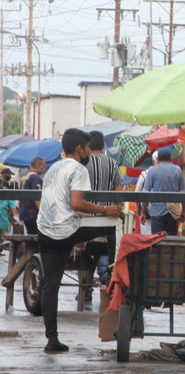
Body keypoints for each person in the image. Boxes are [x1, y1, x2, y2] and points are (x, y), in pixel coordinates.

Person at [36, 128, 122, 352]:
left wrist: (96, 213)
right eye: (86, 149)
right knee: (114, 223)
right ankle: (114, 274)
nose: (87, 153)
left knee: (49, 285)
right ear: (79, 149)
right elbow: (76, 203)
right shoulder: (78, 169)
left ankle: (52, 339)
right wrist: (107, 210)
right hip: (67, 231)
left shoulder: (54, 168)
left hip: (45, 232)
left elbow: (64, 205)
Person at [85, 131, 124, 291]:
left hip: (85, 220)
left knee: (87, 251)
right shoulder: (113, 164)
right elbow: (119, 193)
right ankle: (109, 275)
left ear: (88, 145)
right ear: (103, 146)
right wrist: (115, 209)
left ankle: (86, 288)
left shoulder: (83, 164)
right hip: (107, 223)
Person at [140, 148, 185, 235]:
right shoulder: (178, 170)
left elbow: (146, 193)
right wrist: (183, 211)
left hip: (156, 212)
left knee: (156, 240)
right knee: (171, 241)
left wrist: (142, 212)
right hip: (173, 212)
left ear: (157, 159)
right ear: (171, 157)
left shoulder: (152, 170)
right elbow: (183, 193)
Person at [20, 157, 46, 235]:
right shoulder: (35, 178)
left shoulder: (24, 176)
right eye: (44, 166)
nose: (45, 169)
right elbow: (37, 197)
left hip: (24, 212)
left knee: (30, 236)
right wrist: (42, 213)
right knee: (37, 237)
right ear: (38, 166)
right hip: (32, 212)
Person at [135, 151, 158, 235]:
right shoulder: (167, 174)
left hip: (146, 213)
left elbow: (137, 193)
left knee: (146, 237)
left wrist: (138, 208)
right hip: (161, 213)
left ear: (152, 161)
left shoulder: (144, 174)